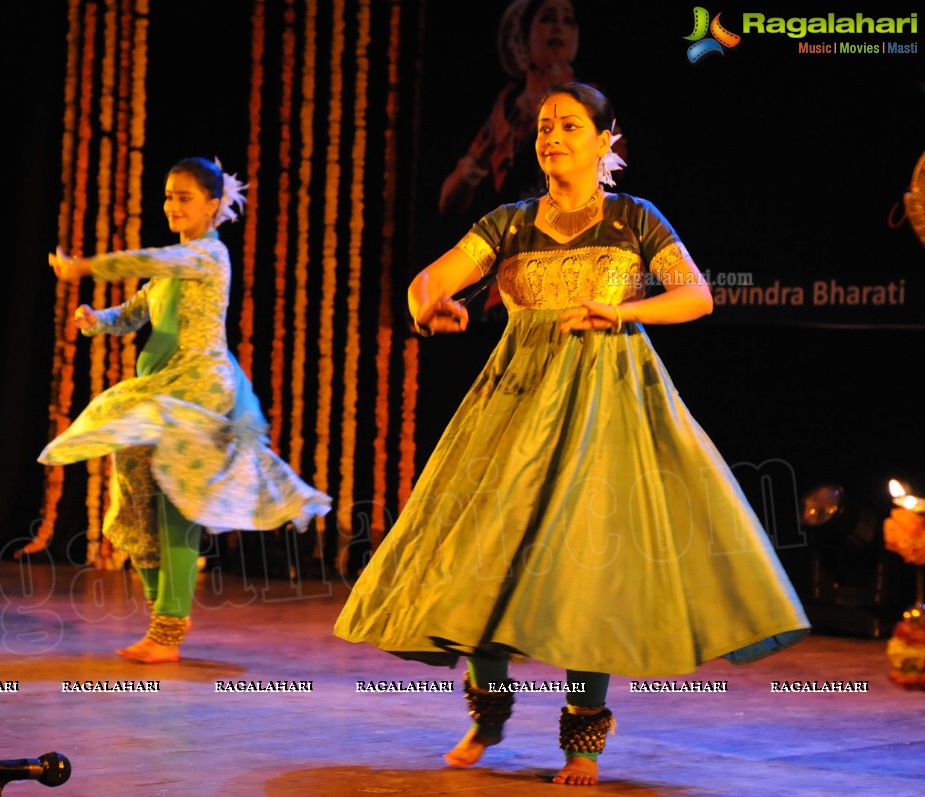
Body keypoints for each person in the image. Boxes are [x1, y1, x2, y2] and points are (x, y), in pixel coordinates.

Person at [335, 83, 809, 786]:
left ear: (603, 139)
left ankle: (582, 737)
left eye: (568, 125)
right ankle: (488, 711)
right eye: (543, 127)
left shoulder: (633, 218)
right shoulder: (509, 222)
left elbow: (695, 295)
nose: (551, 136)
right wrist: (428, 308)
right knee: (483, 553)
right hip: (515, 405)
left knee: (592, 569)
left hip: (605, 403)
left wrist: (622, 312)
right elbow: (428, 282)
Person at [43, 157, 331, 664]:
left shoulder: (208, 256)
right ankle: (162, 610)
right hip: (159, 387)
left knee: (177, 500)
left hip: (199, 389)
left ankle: (168, 628)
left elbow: (146, 260)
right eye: (169, 196)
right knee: (134, 495)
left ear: (213, 205)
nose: (173, 205)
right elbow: (133, 313)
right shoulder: (170, 270)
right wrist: (95, 319)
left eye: (185, 197)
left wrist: (84, 267)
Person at [437, 0, 580, 218]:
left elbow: (614, 170)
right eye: (548, 18)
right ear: (523, 38)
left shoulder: (589, 103)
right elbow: (448, 203)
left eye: (568, 21)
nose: (558, 27)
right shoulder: (505, 110)